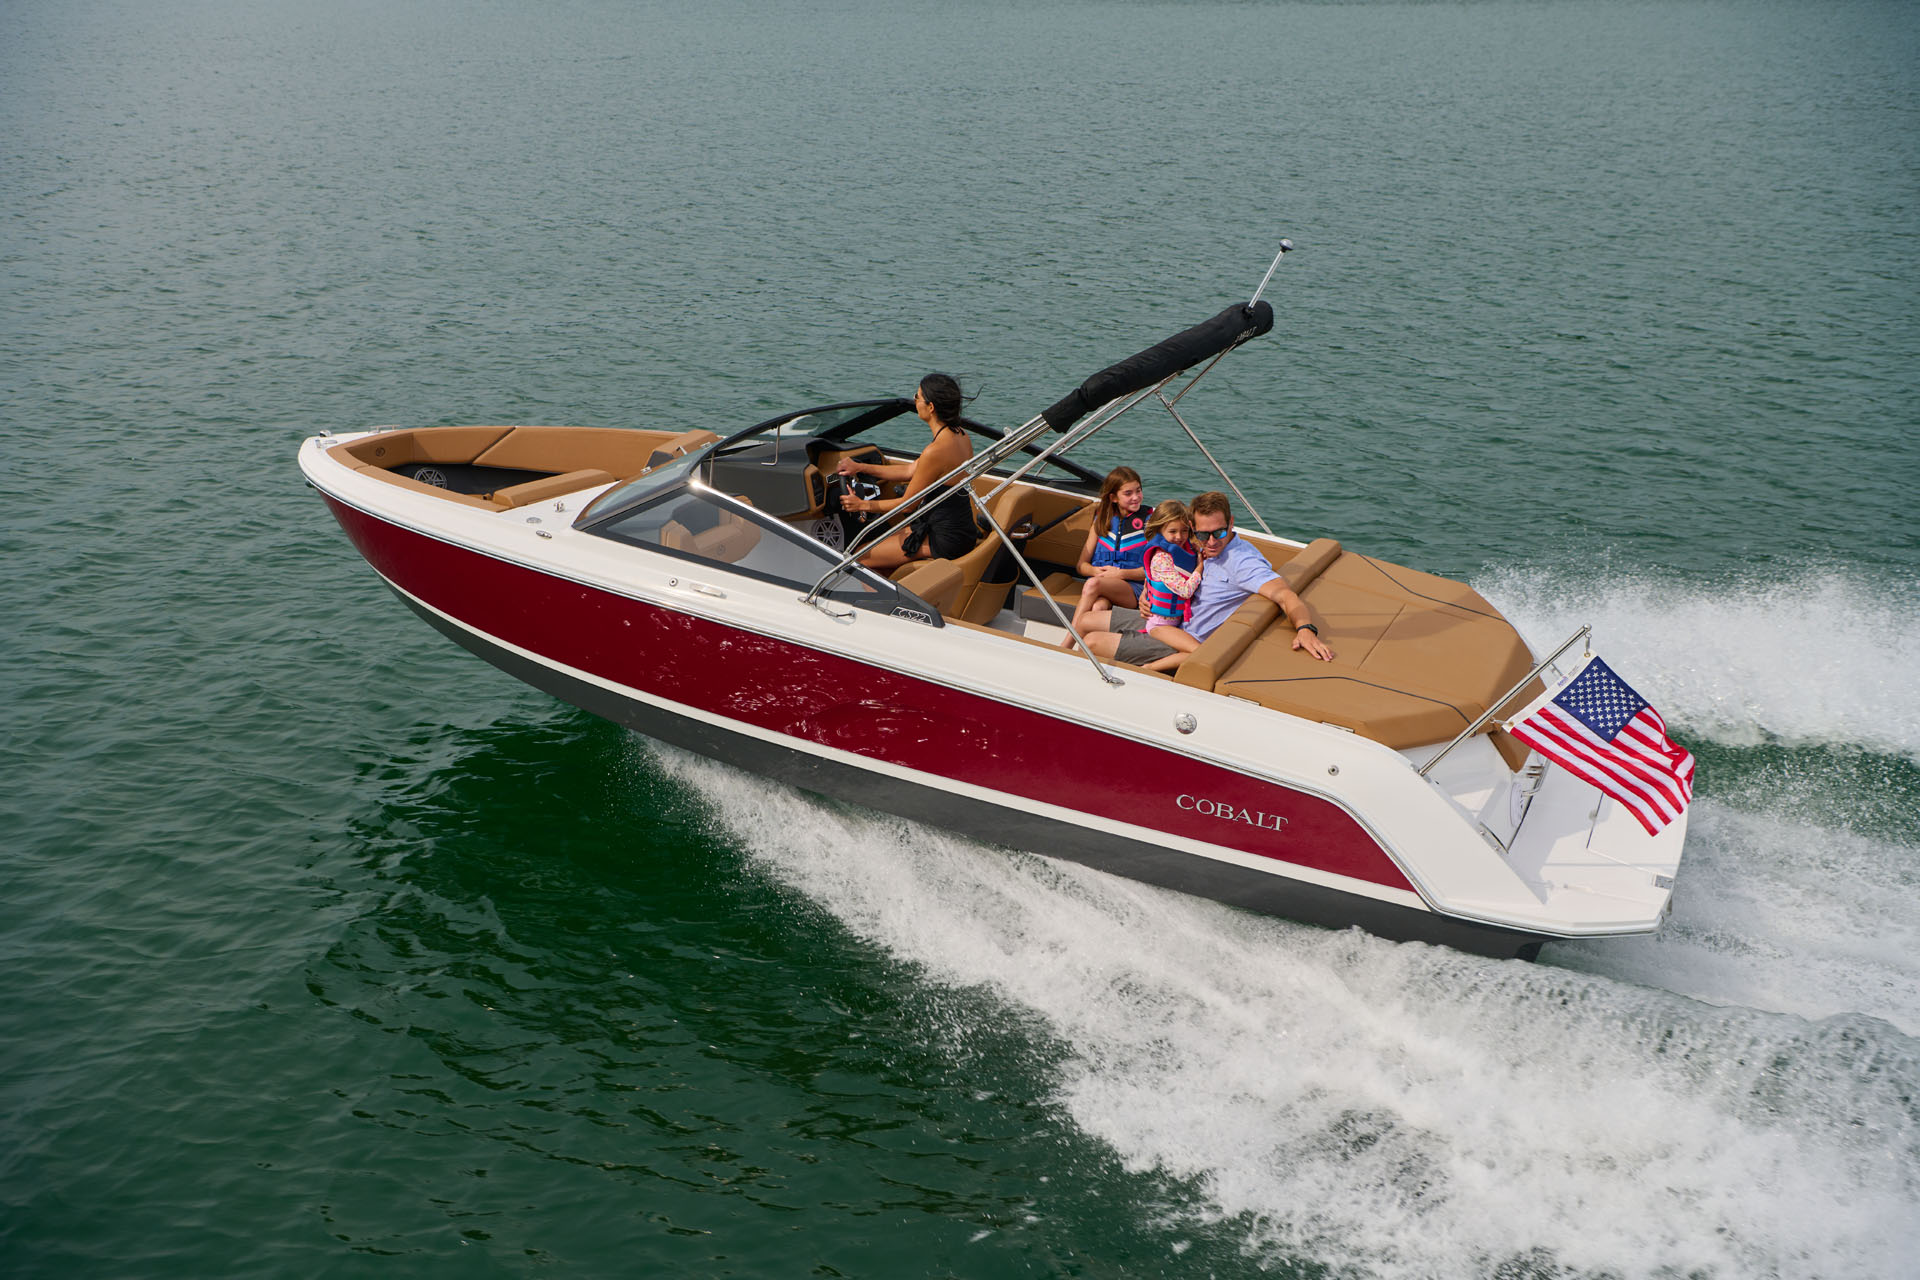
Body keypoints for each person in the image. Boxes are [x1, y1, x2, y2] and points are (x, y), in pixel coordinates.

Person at [1080, 491, 1336, 667]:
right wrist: (1147, 595)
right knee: (1085, 620)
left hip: (1186, 638)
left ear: (1231, 523)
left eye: (1219, 533)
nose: (1211, 542)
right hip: (1168, 616)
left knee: (1091, 642)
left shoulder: (1242, 562)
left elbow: (1285, 594)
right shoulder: (1195, 545)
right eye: (1204, 534)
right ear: (1193, 527)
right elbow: (1162, 571)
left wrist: (1305, 629)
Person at [836, 373, 981, 572]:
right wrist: (860, 467)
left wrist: (861, 504)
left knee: (858, 556)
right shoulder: (960, 435)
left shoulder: (936, 451)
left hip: (945, 540)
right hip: (961, 530)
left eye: (917, 396)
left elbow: (907, 505)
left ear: (930, 407)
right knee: (879, 551)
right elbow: (909, 470)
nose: (914, 400)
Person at [1063, 466, 1151, 640]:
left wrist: (1120, 574)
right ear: (1113, 498)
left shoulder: (1150, 523)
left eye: (1138, 491)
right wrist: (1095, 571)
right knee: (1098, 607)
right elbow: (1081, 566)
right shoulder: (1101, 521)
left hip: (1133, 589)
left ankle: (1066, 644)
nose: (1136, 497)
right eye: (1128, 493)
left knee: (1092, 585)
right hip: (1104, 586)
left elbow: (1154, 570)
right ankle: (1083, 650)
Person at [1130, 500, 1205, 672]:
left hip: (1175, 621)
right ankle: (1148, 669)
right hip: (1160, 625)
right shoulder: (1161, 558)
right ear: (1159, 530)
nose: (1179, 537)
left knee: (1198, 650)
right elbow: (1185, 591)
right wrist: (1200, 568)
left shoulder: (1186, 549)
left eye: (1184, 531)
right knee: (1198, 652)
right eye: (1173, 531)